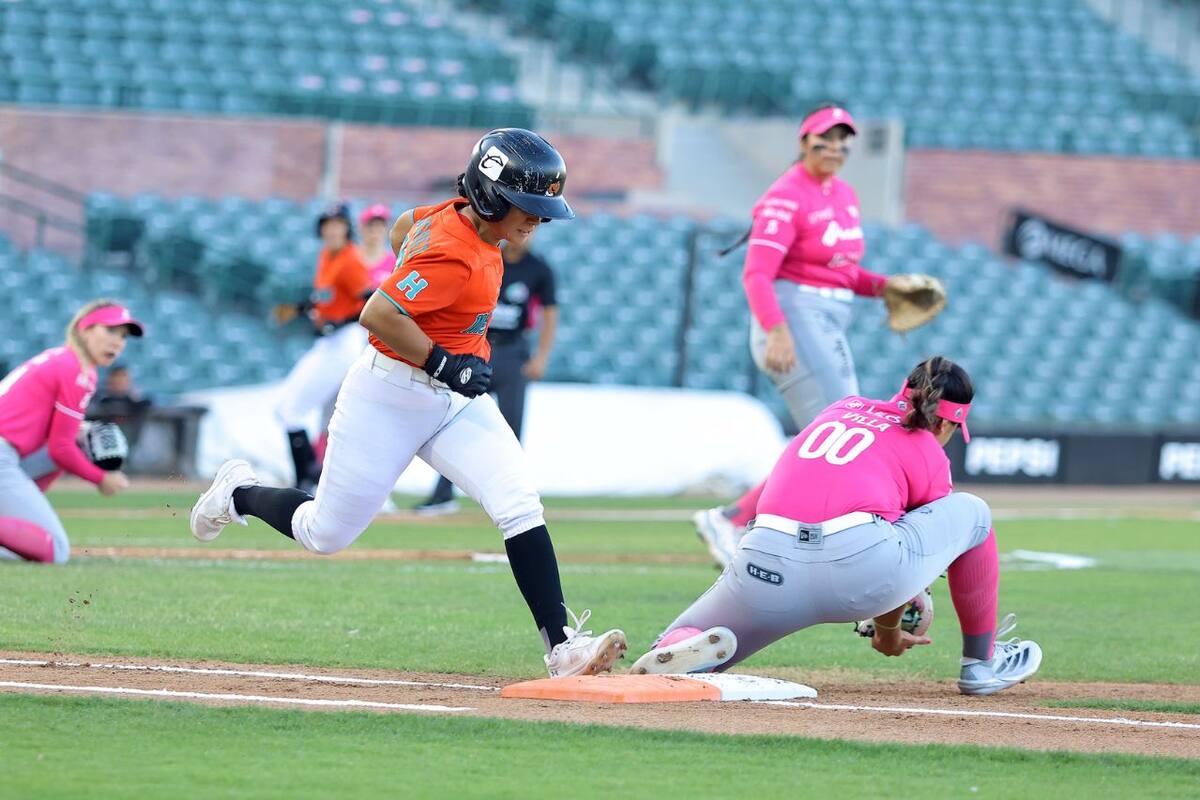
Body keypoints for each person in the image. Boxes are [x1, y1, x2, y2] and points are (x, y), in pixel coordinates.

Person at [190, 128, 626, 678]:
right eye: (528, 206)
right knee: (324, 534)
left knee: (519, 504)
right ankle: (239, 493)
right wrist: (443, 358)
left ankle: (562, 647)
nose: (537, 220)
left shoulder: (454, 214)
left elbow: (403, 229)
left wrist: (438, 338)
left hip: (455, 400)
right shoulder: (455, 254)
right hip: (390, 395)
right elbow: (377, 314)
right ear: (491, 196)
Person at [633, 357, 1043, 696]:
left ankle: (678, 648)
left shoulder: (840, 408)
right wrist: (887, 630)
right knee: (974, 513)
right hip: (857, 568)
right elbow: (904, 538)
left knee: (681, 641)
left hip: (764, 560)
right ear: (946, 423)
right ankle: (981, 664)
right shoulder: (928, 452)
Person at [694, 103, 916, 567]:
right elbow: (756, 275)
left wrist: (884, 287)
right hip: (795, 317)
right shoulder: (786, 196)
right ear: (803, 142)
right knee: (843, 431)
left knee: (826, 439)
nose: (833, 147)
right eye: (824, 138)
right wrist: (777, 332)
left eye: (842, 139)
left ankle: (742, 519)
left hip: (827, 317)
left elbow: (841, 272)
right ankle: (739, 520)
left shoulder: (843, 194)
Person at [415, 233, 559, 515]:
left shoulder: (539, 268)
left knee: (510, 429)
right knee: (455, 420)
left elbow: (550, 314)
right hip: (478, 349)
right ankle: (443, 494)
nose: (525, 235)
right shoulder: (487, 257)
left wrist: (541, 357)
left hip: (513, 354)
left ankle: (510, 499)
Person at [0, 300, 142, 563]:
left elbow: (61, 444)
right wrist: (102, 478)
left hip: (9, 455)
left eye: (123, 336)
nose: (118, 342)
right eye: (110, 330)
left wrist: (82, 430)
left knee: (81, 440)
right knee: (56, 549)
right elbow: (60, 448)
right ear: (84, 329)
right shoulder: (74, 369)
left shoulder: (67, 361)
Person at [273, 203, 373, 493]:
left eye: (338, 224)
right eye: (327, 224)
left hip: (346, 340)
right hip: (329, 340)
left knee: (293, 410)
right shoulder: (326, 256)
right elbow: (326, 297)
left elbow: (370, 301)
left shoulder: (350, 258)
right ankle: (310, 477)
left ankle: (309, 480)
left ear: (346, 227)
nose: (332, 229)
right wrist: (303, 308)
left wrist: (339, 323)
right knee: (285, 409)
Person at [88, 362, 152, 448]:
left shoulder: (136, 402)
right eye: (116, 376)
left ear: (129, 380)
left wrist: (134, 399)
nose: (119, 380)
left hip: (128, 446)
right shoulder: (97, 398)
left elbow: (147, 404)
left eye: (123, 376)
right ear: (109, 379)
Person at [360, 204, 397, 287]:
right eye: (370, 225)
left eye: (380, 225)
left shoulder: (395, 262)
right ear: (362, 228)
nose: (375, 230)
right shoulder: (351, 258)